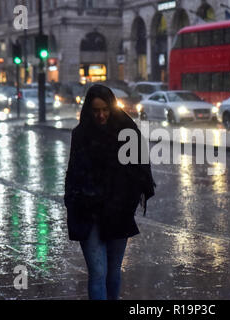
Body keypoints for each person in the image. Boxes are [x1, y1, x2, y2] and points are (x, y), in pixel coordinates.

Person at [64, 84, 156, 300]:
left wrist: (124, 200)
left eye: (105, 109)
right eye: (96, 110)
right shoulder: (81, 134)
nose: (101, 115)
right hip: (89, 212)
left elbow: (140, 171)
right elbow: (73, 171)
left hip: (117, 212)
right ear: (88, 110)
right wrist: (75, 200)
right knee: (98, 273)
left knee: (113, 272)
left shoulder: (126, 132)